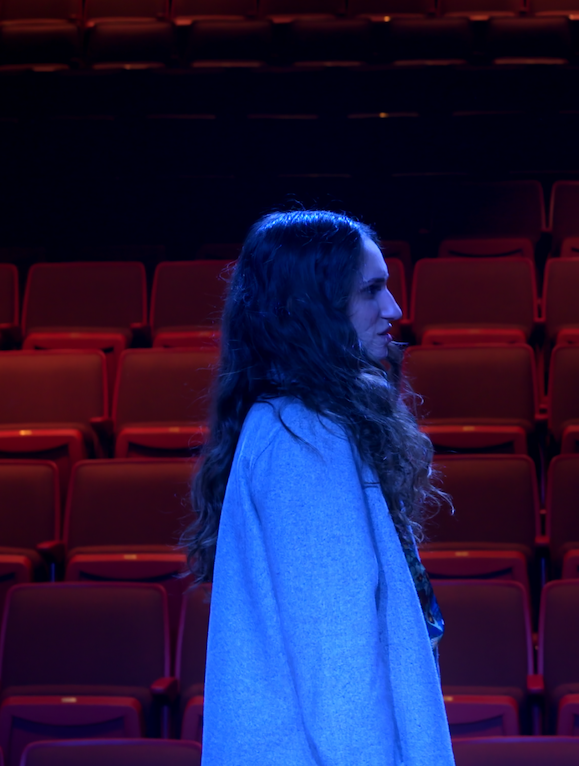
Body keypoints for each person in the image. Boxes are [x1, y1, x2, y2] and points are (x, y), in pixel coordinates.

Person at [185, 210, 456, 766]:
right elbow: (339, 667)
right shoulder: (306, 437)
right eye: (372, 292)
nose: (394, 311)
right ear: (315, 308)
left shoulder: (295, 425)